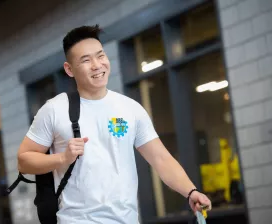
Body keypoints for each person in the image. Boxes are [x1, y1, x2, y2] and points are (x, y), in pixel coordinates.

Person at [17, 24, 212, 223]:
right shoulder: (54, 110)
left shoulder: (130, 109)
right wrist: (61, 158)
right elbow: (23, 160)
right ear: (69, 69)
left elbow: (161, 159)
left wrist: (190, 191)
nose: (96, 65)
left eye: (100, 56)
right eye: (86, 60)